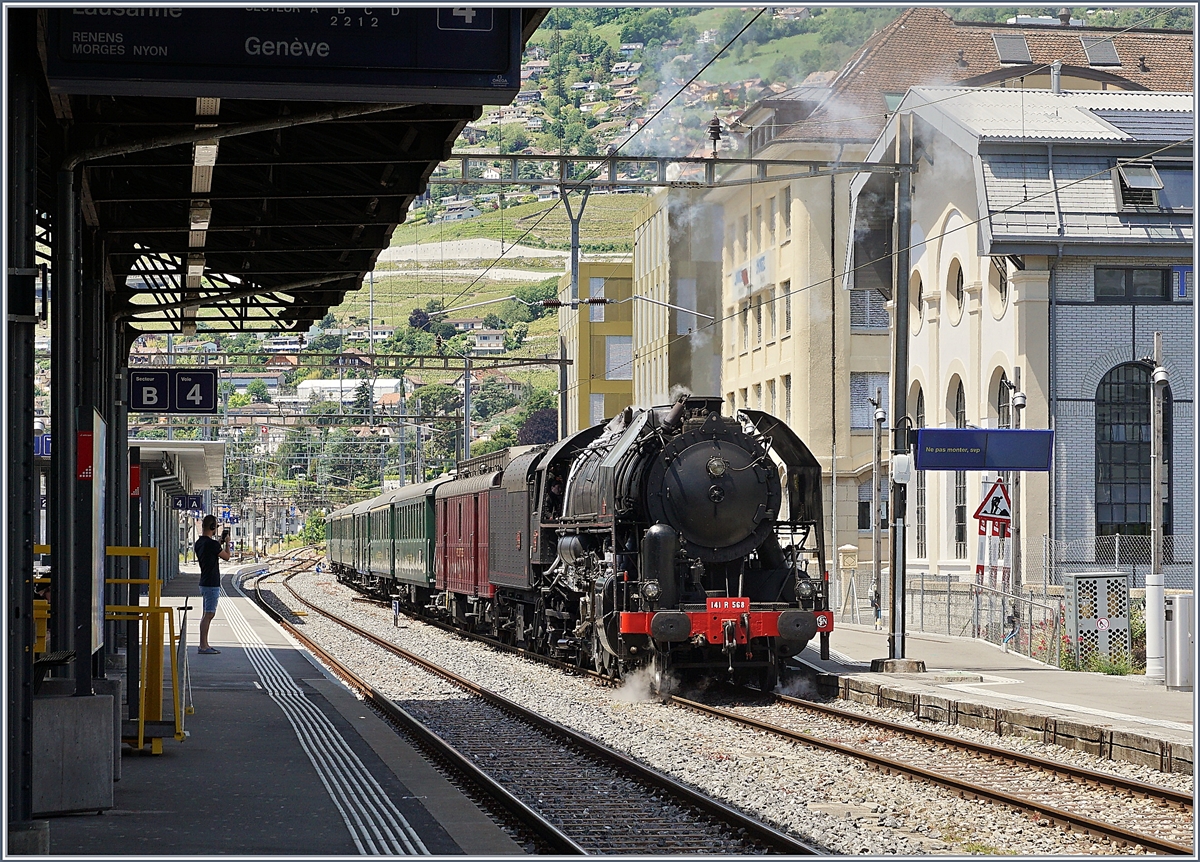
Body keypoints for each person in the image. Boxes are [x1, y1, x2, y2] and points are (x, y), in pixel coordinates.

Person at [195, 514, 231, 655]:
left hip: (204, 581)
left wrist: (220, 542)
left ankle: (204, 644)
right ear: (213, 527)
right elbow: (227, 557)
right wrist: (227, 543)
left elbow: (212, 549)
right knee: (209, 614)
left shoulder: (200, 543)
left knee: (206, 614)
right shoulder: (213, 544)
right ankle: (203, 645)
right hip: (211, 583)